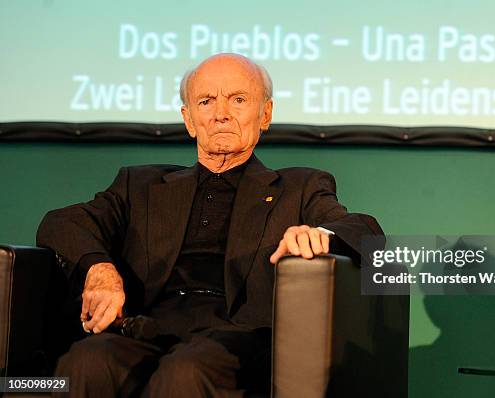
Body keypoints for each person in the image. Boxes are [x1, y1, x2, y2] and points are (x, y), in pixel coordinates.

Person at [37, 53, 383, 397]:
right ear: (189, 120)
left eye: (238, 100)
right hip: (146, 330)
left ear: (266, 114)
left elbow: (366, 230)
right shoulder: (139, 186)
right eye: (206, 101)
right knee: (87, 359)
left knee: (184, 372)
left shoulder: (299, 188)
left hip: (236, 340)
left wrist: (318, 234)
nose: (221, 114)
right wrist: (99, 269)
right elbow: (61, 223)